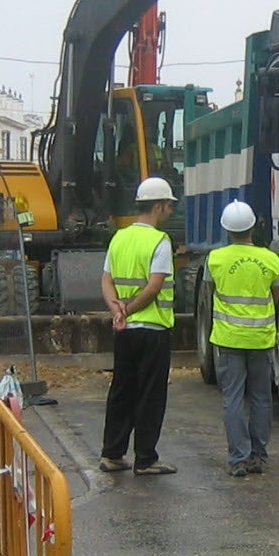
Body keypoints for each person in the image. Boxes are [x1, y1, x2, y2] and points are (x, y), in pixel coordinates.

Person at [99, 177, 178, 475]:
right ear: (157, 206)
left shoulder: (119, 237)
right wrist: (129, 310)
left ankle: (112, 453)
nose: (170, 211)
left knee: (121, 389)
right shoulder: (160, 241)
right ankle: (146, 458)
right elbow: (154, 286)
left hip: (126, 331)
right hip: (152, 330)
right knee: (150, 395)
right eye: (168, 206)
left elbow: (106, 279)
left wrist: (116, 309)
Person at [205, 200, 279, 477]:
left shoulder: (215, 259)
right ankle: (259, 456)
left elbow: (210, 290)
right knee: (262, 398)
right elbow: (276, 296)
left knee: (233, 398)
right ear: (253, 226)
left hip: (228, 338)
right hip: (260, 338)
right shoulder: (271, 260)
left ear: (226, 229)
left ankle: (238, 458)